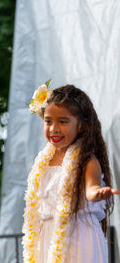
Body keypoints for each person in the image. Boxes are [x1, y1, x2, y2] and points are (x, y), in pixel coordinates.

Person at [23, 83, 119, 262]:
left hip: (79, 239)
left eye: (63, 121)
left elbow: (92, 187)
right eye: (48, 121)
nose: (54, 129)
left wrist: (97, 193)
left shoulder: (87, 161)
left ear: (81, 125)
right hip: (49, 238)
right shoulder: (43, 162)